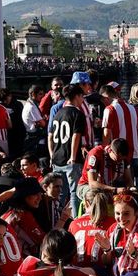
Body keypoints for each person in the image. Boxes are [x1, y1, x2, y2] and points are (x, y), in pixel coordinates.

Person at [48, 85, 88, 217]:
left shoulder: (58, 113)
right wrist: (73, 156)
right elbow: (76, 135)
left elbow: (50, 136)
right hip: (70, 159)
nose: (82, 99)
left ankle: (57, 218)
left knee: (59, 193)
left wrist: (51, 154)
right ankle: (76, 219)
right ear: (77, 96)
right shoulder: (77, 114)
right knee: (74, 192)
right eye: (82, 96)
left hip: (57, 157)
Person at [69, 188, 115, 276]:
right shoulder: (113, 223)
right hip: (101, 273)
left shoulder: (74, 224)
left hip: (76, 272)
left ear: (86, 203)